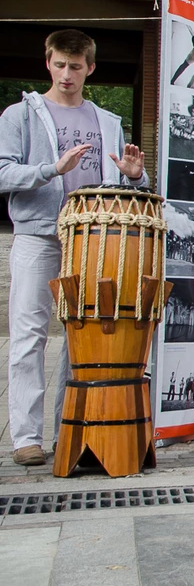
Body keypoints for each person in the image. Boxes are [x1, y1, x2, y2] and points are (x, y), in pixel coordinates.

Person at [0, 29, 147, 467]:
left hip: (92, 241)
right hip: (38, 234)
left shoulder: (107, 121)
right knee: (28, 334)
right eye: (60, 65)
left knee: (81, 338)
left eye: (76, 67)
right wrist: (50, 169)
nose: (67, 74)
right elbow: (3, 172)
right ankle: (26, 437)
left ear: (90, 68)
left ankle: (70, 430)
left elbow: (121, 186)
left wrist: (134, 176)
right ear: (48, 63)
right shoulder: (19, 115)